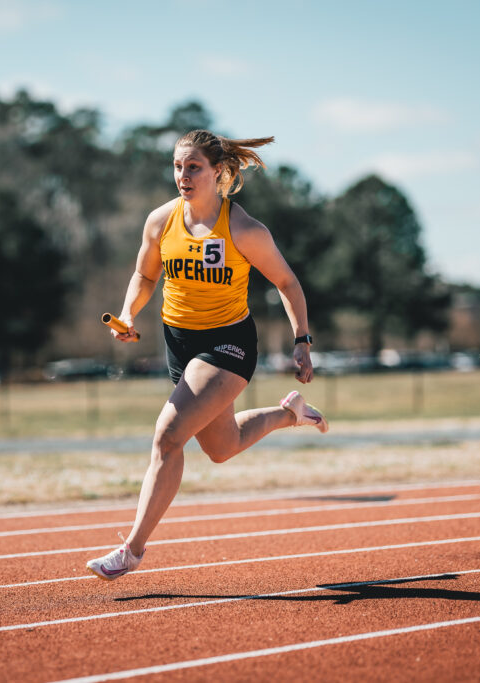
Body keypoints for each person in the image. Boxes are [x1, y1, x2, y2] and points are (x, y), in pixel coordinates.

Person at [86, 129, 329, 581]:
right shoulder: (160, 221)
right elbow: (144, 276)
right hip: (180, 344)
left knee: (168, 436)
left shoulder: (243, 229)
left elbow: (288, 283)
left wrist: (302, 341)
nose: (183, 175)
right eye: (177, 166)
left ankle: (131, 550)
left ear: (218, 172)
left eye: (193, 166)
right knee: (221, 447)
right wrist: (127, 314)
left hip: (228, 344)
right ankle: (290, 415)